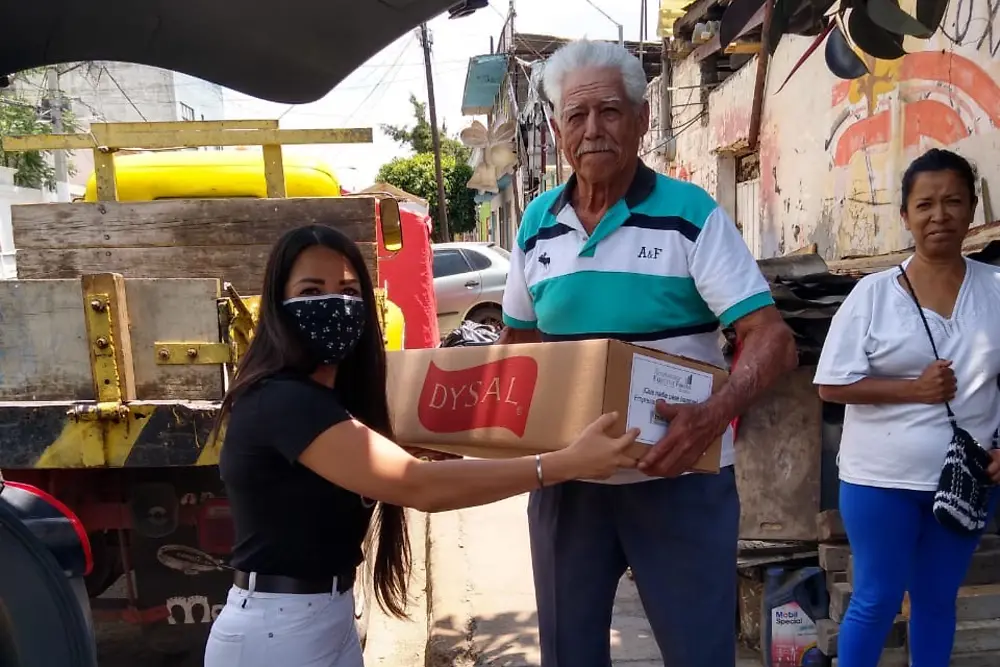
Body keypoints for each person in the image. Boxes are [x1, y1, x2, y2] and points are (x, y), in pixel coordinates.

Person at [203, 223, 641, 667]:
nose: (335, 305)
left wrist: (408, 449)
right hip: (278, 632)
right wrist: (561, 464)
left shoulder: (327, 402)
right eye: (312, 291)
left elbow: (354, 472)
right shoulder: (283, 400)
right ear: (279, 305)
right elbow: (419, 487)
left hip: (323, 617)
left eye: (349, 291)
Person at [499, 39, 798, 667]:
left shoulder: (690, 215)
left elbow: (771, 340)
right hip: (568, 482)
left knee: (699, 653)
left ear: (640, 119)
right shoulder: (535, 225)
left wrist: (714, 415)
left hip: (677, 474)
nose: (593, 130)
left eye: (609, 111)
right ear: (556, 130)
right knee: (568, 654)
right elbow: (518, 348)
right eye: (576, 116)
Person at [814, 148, 1000, 666]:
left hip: (966, 481)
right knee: (874, 600)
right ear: (906, 216)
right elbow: (830, 385)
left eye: (953, 202)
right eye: (925, 204)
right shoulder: (872, 295)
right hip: (880, 482)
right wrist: (912, 391)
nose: (939, 215)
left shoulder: (995, 290)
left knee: (938, 601)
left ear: (972, 212)